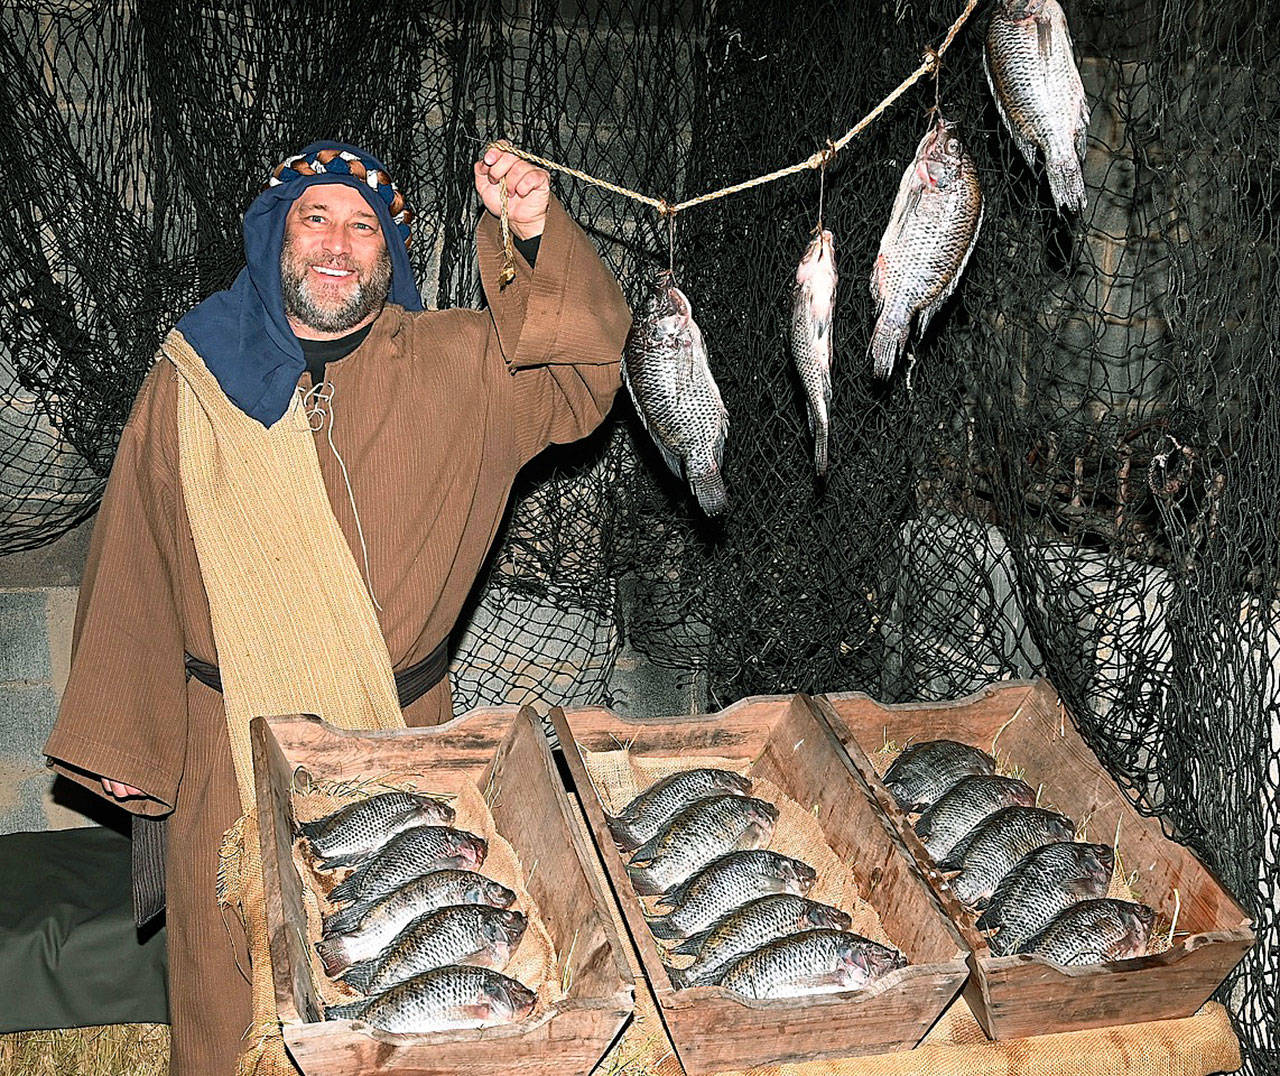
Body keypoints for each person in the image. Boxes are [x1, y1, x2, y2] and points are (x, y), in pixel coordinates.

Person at [42, 140, 631, 1074]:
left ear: (388, 256)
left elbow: (578, 373)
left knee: (402, 1007)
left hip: (399, 737)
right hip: (230, 750)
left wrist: (530, 234)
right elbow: (135, 552)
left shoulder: (456, 365)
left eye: (364, 227)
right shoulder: (194, 376)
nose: (337, 244)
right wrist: (127, 738)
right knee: (229, 1006)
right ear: (276, 234)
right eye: (315, 216)